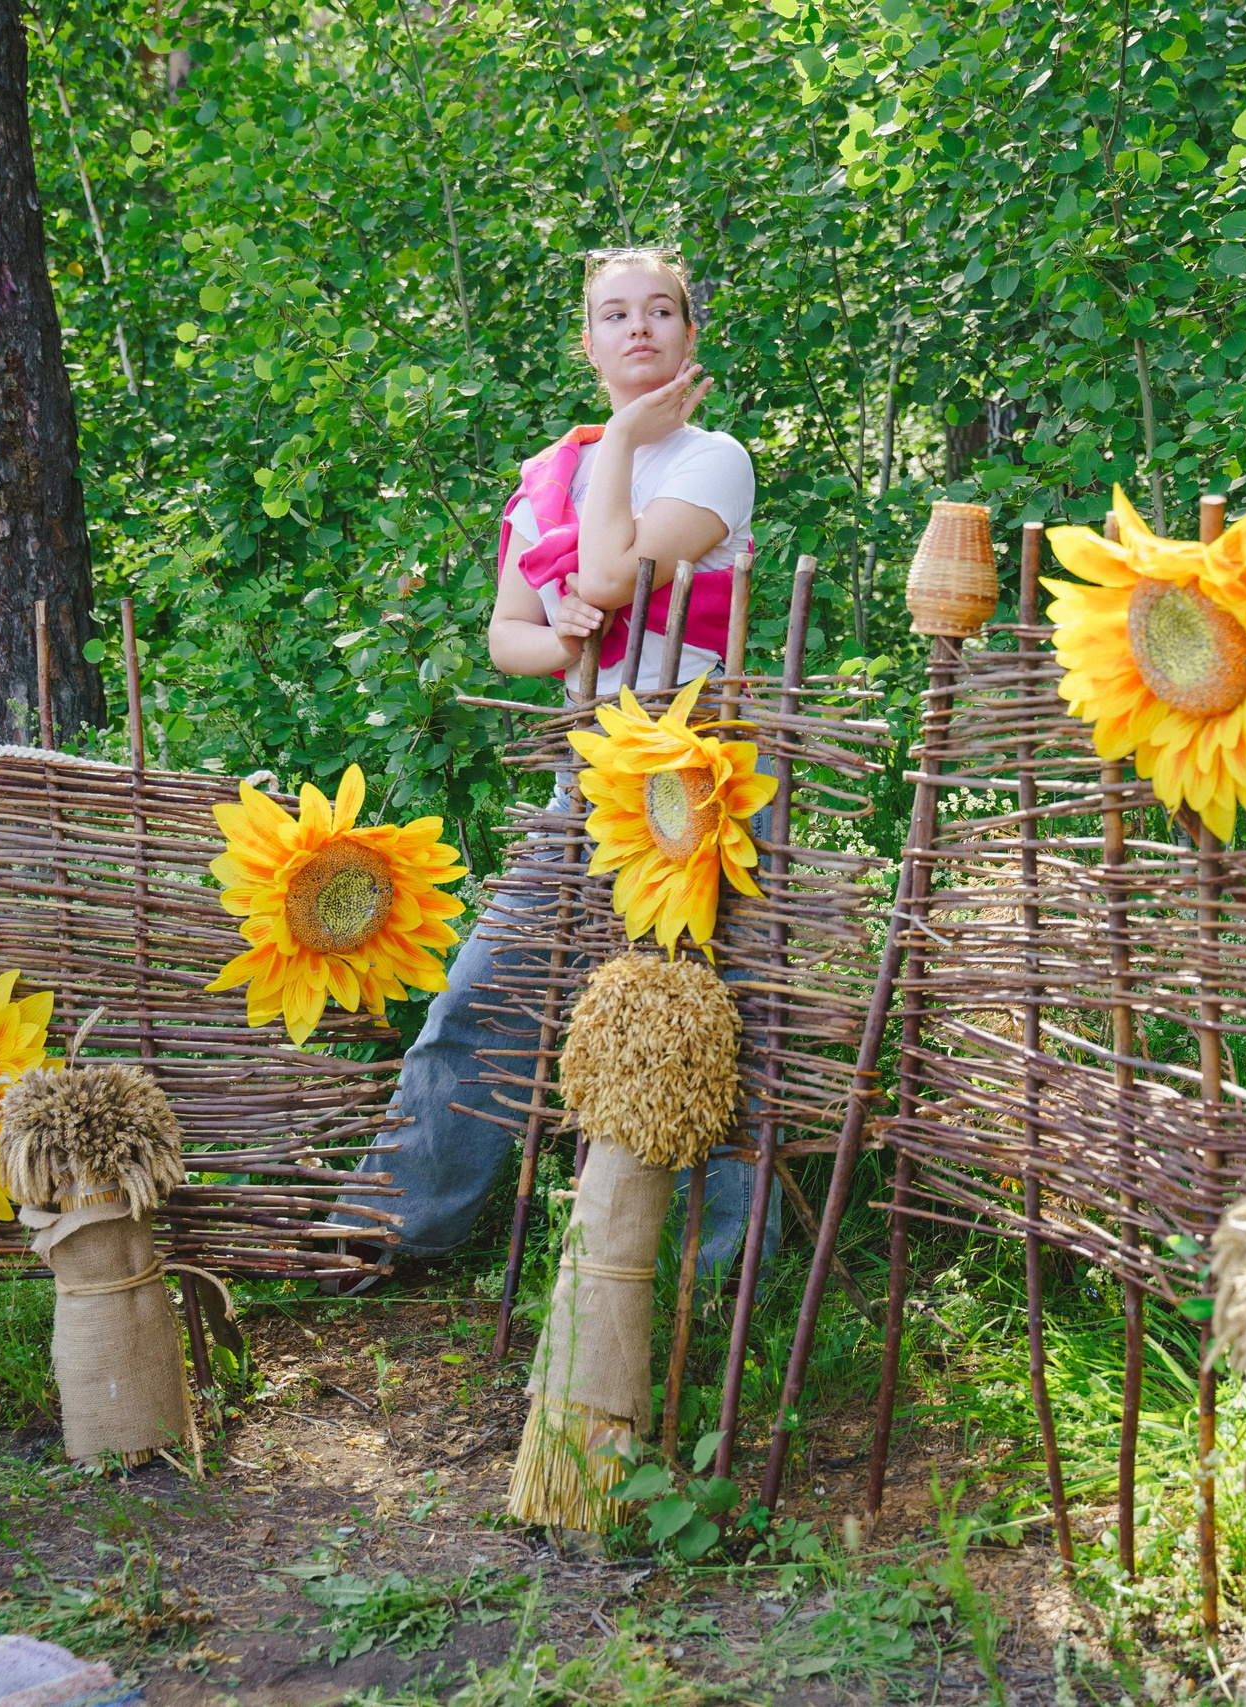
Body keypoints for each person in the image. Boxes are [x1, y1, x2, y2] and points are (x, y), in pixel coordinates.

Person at [354, 248, 778, 1286]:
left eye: (661, 311)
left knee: (705, 1012)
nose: (640, 329)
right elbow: (509, 633)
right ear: (587, 341)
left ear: (689, 334)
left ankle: (714, 1280)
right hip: (586, 770)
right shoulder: (548, 478)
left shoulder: (711, 458)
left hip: (695, 770)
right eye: (615, 314)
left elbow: (610, 571)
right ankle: (390, 1232)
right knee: (484, 996)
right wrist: (568, 639)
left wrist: (624, 439)